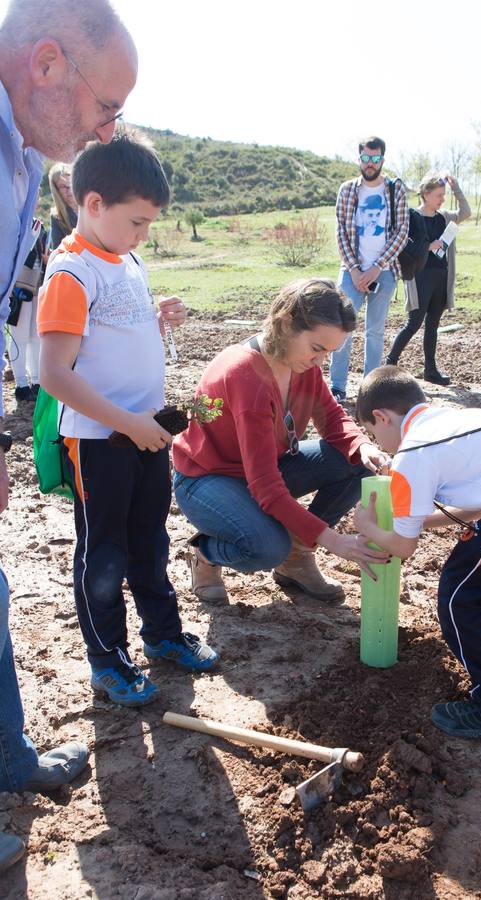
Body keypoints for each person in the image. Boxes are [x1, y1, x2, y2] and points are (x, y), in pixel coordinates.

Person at [0, 0, 137, 867]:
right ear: (47, 63)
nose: (108, 130)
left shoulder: (20, 159)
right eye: (105, 108)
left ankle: (9, 761)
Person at [38, 131, 219, 709]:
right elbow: (56, 375)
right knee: (103, 553)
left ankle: (163, 635)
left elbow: (116, 325)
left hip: (147, 434)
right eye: (138, 221)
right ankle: (107, 660)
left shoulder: (125, 257)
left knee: (149, 540)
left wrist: (155, 311)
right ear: (94, 205)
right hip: (99, 442)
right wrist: (128, 423)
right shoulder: (69, 275)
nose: (146, 234)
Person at [353, 366, 481, 740]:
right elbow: (476, 506)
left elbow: (403, 548)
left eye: (373, 434)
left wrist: (368, 528)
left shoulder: (413, 453)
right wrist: (413, 517)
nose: (381, 444)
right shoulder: (452, 421)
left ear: (381, 417)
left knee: (459, 597)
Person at [172, 278, 391, 604]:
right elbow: (267, 488)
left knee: (358, 463)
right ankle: (205, 554)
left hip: (262, 466)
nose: (320, 362)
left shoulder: (301, 362)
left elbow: (332, 418)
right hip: (208, 479)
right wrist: (333, 540)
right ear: (286, 322)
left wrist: (364, 447)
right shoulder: (246, 377)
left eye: (330, 353)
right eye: (318, 349)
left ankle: (297, 559)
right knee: (266, 547)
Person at [329, 136, 409, 402]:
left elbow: (401, 232)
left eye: (375, 159)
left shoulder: (395, 189)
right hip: (351, 270)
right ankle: (337, 386)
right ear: (359, 158)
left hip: (384, 272)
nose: (370, 163)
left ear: (382, 160)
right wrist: (354, 269)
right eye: (366, 157)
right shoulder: (347, 190)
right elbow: (340, 231)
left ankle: (368, 391)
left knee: (374, 332)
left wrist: (377, 267)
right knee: (342, 326)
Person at [386, 173, 471, 385]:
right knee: (413, 323)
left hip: (441, 276)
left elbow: (466, 212)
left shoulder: (444, 217)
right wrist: (427, 246)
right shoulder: (411, 217)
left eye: (444, 195)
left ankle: (430, 370)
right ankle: (389, 365)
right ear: (425, 194)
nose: (442, 199)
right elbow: (403, 246)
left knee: (433, 325)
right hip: (420, 277)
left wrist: (457, 188)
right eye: (438, 195)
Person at [7, 219, 47, 403]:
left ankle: (36, 381)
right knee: (19, 337)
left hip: (37, 286)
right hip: (18, 287)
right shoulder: (15, 223)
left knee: (35, 336)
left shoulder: (39, 225)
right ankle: (21, 385)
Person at [48, 161, 78, 250]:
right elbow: (58, 250)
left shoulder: (90, 206)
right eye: (63, 186)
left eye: (70, 182)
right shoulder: (56, 217)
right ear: (56, 191)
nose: (69, 188)